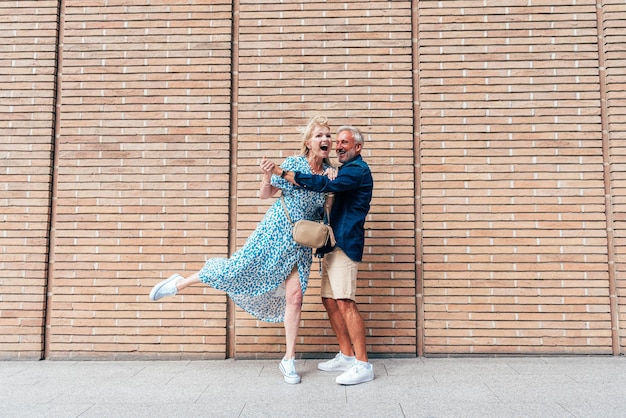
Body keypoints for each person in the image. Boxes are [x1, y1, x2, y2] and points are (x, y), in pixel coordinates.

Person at [149, 115, 334, 385]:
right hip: (275, 232)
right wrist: (266, 175)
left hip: (302, 241)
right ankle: (180, 282)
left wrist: (333, 182)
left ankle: (289, 359)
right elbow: (266, 194)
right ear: (308, 142)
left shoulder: (331, 172)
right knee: (237, 269)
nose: (325, 139)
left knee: (295, 297)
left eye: (328, 135)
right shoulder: (294, 164)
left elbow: (326, 204)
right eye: (319, 135)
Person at [262, 125, 374, 385]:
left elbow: (322, 184)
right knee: (330, 300)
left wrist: (281, 172)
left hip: (345, 244)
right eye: (338, 142)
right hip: (331, 244)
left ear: (357, 147)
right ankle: (346, 355)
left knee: (345, 301)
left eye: (345, 142)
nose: (338, 146)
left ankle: (363, 364)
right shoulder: (343, 170)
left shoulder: (358, 170)